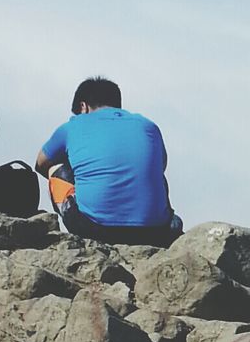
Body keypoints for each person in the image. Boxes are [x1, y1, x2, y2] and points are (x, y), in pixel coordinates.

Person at [35, 77, 182, 246]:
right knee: (156, 176)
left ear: (83, 107)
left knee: (56, 170)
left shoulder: (72, 126)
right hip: (155, 232)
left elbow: (41, 164)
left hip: (95, 229)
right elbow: (161, 166)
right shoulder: (148, 126)